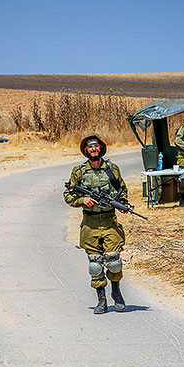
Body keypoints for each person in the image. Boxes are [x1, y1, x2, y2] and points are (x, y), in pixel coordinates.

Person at [64, 133, 129, 314]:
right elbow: (68, 195)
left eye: (96, 145)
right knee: (95, 264)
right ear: (86, 150)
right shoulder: (79, 171)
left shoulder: (112, 169)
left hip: (109, 221)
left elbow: (121, 190)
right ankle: (101, 300)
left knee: (114, 261)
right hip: (90, 224)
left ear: (101, 147)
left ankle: (116, 291)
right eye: (90, 146)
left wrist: (123, 204)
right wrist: (83, 200)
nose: (93, 148)